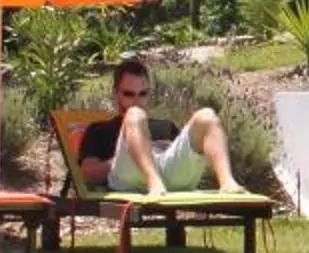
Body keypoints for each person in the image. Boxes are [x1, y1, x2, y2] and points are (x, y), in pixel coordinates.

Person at [76, 55, 242, 198]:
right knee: (135, 114)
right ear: (115, 94)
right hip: (127, 177)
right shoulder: (99, 130)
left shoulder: (165, 126)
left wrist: (161, 149)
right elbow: (88, 175)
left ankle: (227, 182)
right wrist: (135, 152)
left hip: (167, 174)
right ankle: (153, 182)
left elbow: (179, 159)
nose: (136, 100)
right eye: (128, 94)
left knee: (207, 116)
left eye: (143, 94)